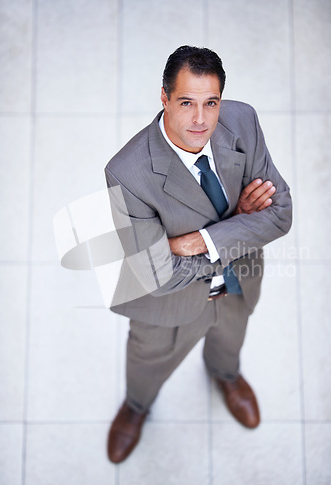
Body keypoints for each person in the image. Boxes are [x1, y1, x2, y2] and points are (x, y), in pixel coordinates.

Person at [104, 45, 292, 463]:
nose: (201, 120)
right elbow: (157, 273)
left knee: (231, 336)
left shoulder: (242, 121)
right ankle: (137, 406)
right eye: (186, 102)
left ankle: (225, 375)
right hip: (167, 302)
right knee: (147, 359)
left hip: (238, 279)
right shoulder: (126, 173)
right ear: (165, 98)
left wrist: (200, 240)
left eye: (211, 103)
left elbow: (280, 215)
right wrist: (240, 222)